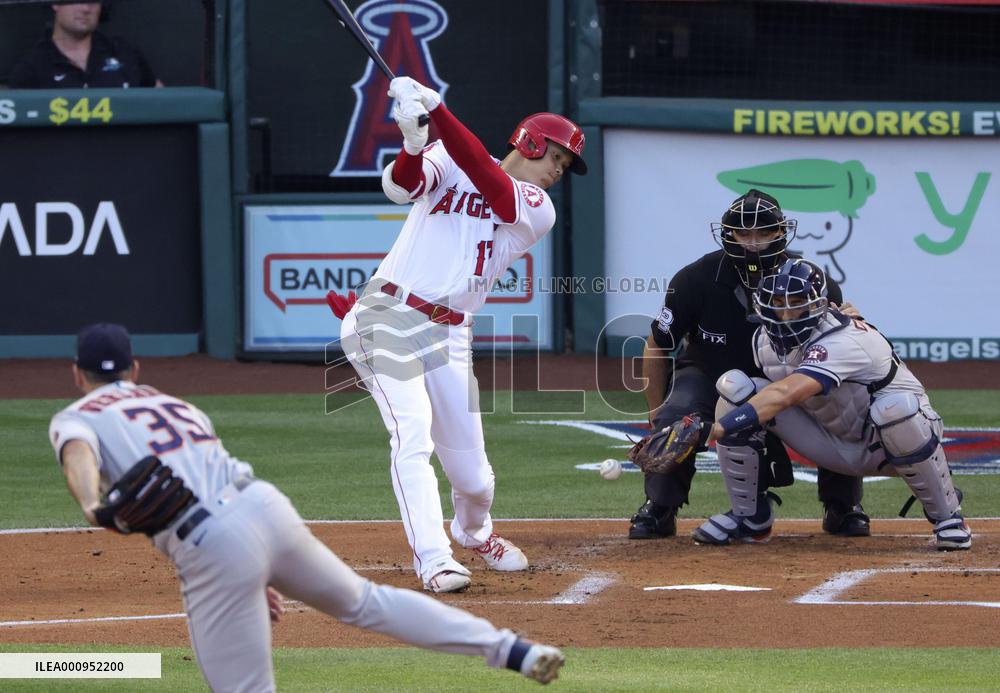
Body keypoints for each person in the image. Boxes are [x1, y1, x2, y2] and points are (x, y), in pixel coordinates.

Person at [49, 323, 566, 690]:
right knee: (365, 603)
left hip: (212, 544)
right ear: (135, 368)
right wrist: (263, 571)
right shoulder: (174, 405)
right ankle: (509, 649)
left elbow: (78, 455)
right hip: (266, 508)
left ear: (77, 374)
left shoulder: (75, 415)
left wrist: (94, 505)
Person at [334, 76, 586, 593]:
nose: (558, 171)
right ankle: (434, 559)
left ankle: (474, 533)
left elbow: (490, 183)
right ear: (530, 142)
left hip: (450, 335)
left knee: (475, 479)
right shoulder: (447, 156)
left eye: (565, 165)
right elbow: (402, 186)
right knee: (412, 434)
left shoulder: (537, 207)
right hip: (386, 314)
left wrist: (440, 112)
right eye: (555, 157)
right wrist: (412, 142)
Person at [629, 189, 870, 540]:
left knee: (839, 406)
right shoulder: (694, 279)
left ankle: (843, 506)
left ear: (780, 233)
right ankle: (660, 507)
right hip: (708, 371)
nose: (753, 243)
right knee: (674, 416)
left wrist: (852, 320)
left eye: (763, 233)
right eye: (744, 233)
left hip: (787, 374)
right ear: (729, 233)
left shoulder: (811, 277)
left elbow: (841, 344)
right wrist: (655, 410)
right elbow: (657, 346)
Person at [693, 258, 972, 550]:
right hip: (829, 442)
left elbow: (788, 393)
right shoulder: (764, 341)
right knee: (736, 390)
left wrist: (718, 430)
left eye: (797, 302)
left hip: (890, 444)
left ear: (819, 304)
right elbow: (767, 401)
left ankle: (948, 517)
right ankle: (750, 519)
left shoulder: (846, 338)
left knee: (895, 410)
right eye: (777, 302)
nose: (786, 313)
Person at [9, 2, 163, 89]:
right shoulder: (32, 66)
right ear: (56, 4)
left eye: (93, 1)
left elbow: (160, 100)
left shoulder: (124, 52)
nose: (86, 9)